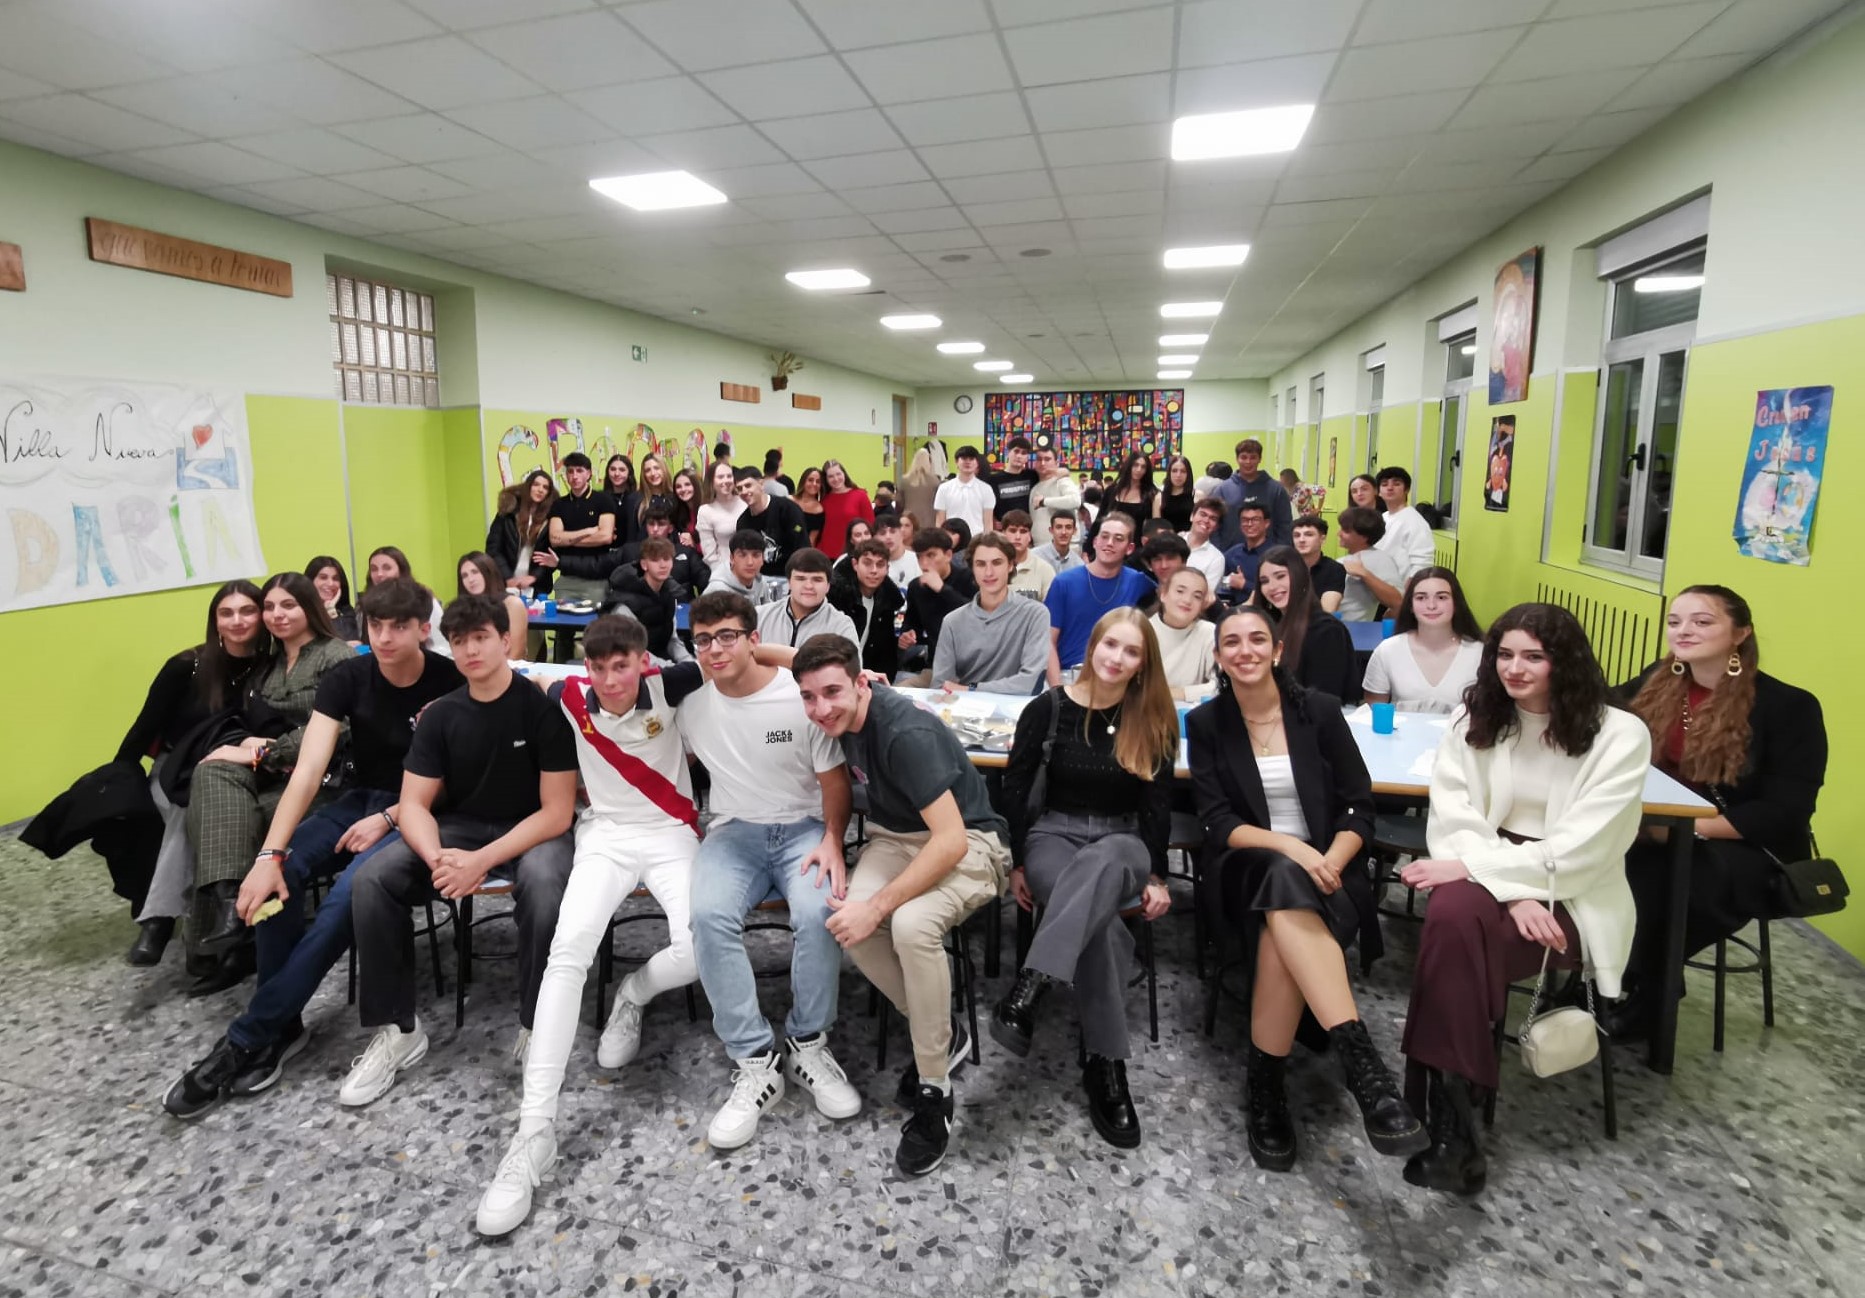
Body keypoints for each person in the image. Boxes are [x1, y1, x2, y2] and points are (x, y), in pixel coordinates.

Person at [161, 580, 462, 1118]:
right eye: (376, 626)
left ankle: (249, 1037)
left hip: (416, 810)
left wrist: (389, 817)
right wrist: (266, 858)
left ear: (423, 629)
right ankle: (285, 1026)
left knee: (349, 893)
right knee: (285, 873)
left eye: (399, 627)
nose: (386, 638)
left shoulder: (448, 678)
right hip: (355, 798)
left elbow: (455, 775)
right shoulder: (348, 676)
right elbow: (307, 772)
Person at [1398, 603, 1651, 1195]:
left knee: (1452, 922)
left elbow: (1585, 848)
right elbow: (1454, 816)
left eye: (1533, 656)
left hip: (1575, 893)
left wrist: (1493, 877)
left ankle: (1447, 1121)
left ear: (1566, 662)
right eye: (1505, 654)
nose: (1515, 668)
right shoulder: (1477, 718)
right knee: (1454, 917)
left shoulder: (1619, 734)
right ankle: (1457, 1130)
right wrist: (1512, 894)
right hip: (1494, 879)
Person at [474, 614, 706, 1237]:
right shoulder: (568, 693)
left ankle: (633, 995)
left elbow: (747, 657)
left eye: (621, 665)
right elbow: (509, 670)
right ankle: (532, 1135)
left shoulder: (673, 683)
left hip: (669, 831)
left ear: (643, 662)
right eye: (598, 668)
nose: (609, 680)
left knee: (699, 948)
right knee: (566, 952)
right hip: (604, 833)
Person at [1188, 605, 1422, 1173]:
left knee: (1281, 925)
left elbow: (1359, 805)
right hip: (1246, 874)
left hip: (1329, 876)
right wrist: (1293, 848)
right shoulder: (1207, 723)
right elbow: (1218, 822)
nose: (1244, 650)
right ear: (1218, 658)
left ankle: (1265, 1090)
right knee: (1278, 877)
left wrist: (1332, 860)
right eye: (1231, 643)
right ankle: (1365, 1069)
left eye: (1256, 640)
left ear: (1276, 650)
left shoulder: (1316, 711)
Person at [342, 595, 578, 1106]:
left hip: (533, 828)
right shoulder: (441, 715)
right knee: (372, 879)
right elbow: (413, 805)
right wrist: (439, 862)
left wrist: (482, 861)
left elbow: (557, 813)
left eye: (480, 638)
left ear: (505, 641)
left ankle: (538, 1025)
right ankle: (399, 1030)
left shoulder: (541, 711)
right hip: (460, 829)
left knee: (542, 885)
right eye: (459, 641)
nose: (470, 650)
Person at [793, 637, 1012, 1177]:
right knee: (847, 921)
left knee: (909, 924)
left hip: (971, 842)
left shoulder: (903, 732)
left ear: (862, 682)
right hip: (896, 839)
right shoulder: (844, 710)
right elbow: (796, 662)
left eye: (832, 693)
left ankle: (935, 1094)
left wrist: (881, 906)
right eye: (808, 697)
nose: (821, 709)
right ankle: (944, 1032)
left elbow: (952, 841)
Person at [679, 593, 860, 1150]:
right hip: (735, 831)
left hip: (805, 829)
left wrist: (833, 840)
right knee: (708, 915)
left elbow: (836, 784)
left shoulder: (798, 697)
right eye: (703, 638)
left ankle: (808, 1041)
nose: (715, 649)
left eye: (728, 635)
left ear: (754, 638)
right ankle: (755, 1059)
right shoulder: (691, 707)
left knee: (820, 910)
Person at [1607, 586, 1827, 1038]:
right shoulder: (1659, 679)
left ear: (1740, 634)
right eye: (1675, 621)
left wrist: (1688, 832)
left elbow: (1786, 811)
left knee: (1673, 884)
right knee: (1598, 865)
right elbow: (1601, 711)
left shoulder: (1789, 707)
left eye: (1702, 621)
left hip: (1742, 844)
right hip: (1658, 828)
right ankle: (1602, 979)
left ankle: (1650, 992)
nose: (1683, 630)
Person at [995, 609, 1176, 1147]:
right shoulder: (1047, 709)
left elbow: (1158, 807)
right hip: (1054, 835)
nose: (1117, 659)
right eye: (1110, 645)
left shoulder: (1155, 719)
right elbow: (1015, 789)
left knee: (1104, 865)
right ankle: (1105, 1063)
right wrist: (1017, 862)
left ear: (1144, 664)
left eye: (1131, 651)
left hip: (1123, 842)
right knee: (1103, 930)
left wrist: (1159, 875)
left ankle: (1030, 985)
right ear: (1092, 645)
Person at [183, 573, 352, 994]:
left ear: (308, 607)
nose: (277, 615)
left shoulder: (335, 657)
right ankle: (229, 907)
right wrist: (245, 744)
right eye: (271, 607)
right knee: (211, 773)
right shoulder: (267, 663)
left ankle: (238, 939)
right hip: (271, 772)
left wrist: (264, 752)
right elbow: (247, 720)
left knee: (238, 819)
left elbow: (341, 726)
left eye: (288, 605)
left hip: (324, 779)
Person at [117, 580, 269, 968]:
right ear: (214, 620)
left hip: (233, 766)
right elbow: (143, 728)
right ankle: (165, 920)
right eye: (226, 612)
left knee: (206, 804)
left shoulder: (270, 666)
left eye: (247, 611)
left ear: (262, 615)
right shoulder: (187, 665)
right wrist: (121, 781)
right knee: (188, 810)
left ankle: (179, 931)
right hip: (173, 768)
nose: (237, 620)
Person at [931, 533, 1052, 695]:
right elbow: (940, 686)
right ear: (972, 569)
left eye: (997, 563)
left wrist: (971, 689)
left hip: (1016, 712)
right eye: (980, 564)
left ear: (1010, 565)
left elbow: (1030, 682)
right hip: (965, 710)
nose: (989, 572)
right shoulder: (952, 621)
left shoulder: (1035, 615)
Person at [1044, 512, 1153, 675]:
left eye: (1118, 539)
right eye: (1104, 536)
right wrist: (1057, 689)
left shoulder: (1137, 581)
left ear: (1129, 548)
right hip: (1069, 675)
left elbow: (1169, 595)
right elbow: (1047, 641)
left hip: (1115, 674)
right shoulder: (1064, 582)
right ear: (1095, 542)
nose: (1109, 543)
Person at [1363, 568, 1485, 713]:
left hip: (1461, 735)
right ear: (1411, 606)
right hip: (1402, 735)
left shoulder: (1479, 652)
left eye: (1441, 597)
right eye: (1421, 598)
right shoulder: (1388, 650)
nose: (1431, 605)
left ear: (1456, 603)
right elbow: (1372, 712)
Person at [1252, 546, 1358, 702]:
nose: (1272, 587)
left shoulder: (1326, 630)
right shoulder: (1270, 626)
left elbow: (1323, 699)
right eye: (1264, 581)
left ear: (1300, 576)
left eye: (1280, 576)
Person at [830, 538, 908, 680]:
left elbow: (886, 654)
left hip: (868, 679)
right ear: (855, 564)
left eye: (880, 565)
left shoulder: (887, 602)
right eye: (867, 563)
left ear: (887, 568)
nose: (874, 571)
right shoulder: (836, 598)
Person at [549, 452, 620, 605]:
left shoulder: (603, 500)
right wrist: (588, 532)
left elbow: (605, 537)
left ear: (589, 473)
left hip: (596, 579)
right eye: (570, 471)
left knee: (596, 626)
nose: (574, 476)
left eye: (579, 471)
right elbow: (554, 539)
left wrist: (566, 539)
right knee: (561, 626)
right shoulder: (559, 505)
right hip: (566, 578)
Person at [902, 527, 977, 667]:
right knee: (899, 688)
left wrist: (942, 589)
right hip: (935, 665)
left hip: (972, 665)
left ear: (948, 555)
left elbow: (976, 616)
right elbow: (912, 624)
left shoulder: (969, 578)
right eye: (919, 557)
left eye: (931, 555)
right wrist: (908, 635)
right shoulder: (916, 587)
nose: (924, 564)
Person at [604, 537, 688, 662]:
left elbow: (672, 640)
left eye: (666, 559)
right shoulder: (624, 604)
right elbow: (632, 652)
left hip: (661, 663)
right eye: (655, 560)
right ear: (644, 565)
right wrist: (670, 669)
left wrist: (689, 662)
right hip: (628, 666)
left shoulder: (669, 596)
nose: (662, 565)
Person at [757, 548, 859, 650]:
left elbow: (851, 665)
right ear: (789, 582)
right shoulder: (760, 616)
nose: (808, 586)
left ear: (828, 586)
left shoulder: (841, 626)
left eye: (817, 580)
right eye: (800, 579)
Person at [487, 469, 559, 599]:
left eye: (545, 487)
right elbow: (493, 549)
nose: (540, 489)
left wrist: (534, 577)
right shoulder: (508, 513)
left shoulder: (552, 518)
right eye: (536, 484)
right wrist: (508, 578)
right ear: (528, 487)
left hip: (536, 587)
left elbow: (553, 554)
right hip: (505, 584)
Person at [618, 501, 709, 600]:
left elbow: (706, 583)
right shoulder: (630, 551)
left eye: (661, 524)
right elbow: (607, 572)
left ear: (670, 528)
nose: (655, 529)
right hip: (640, 607)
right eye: (651, 524)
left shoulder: (687, 552)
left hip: (680, 608)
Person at [1149, 567, 1218, 699]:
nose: (1187, 600)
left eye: (1197, 596)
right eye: (1180, 591)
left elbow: (1222, 684)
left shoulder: (1209, 632)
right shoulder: (1143, 629)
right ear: (1163, 594)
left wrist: (1179, 693)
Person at [1213, 438, 1293, 549]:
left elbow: (1284, 525)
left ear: (1260, 459)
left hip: (1269, 557)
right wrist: (1219, 552)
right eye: (1244, 457)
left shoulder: (1276, 490)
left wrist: (1280, 554)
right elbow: (1214, 523)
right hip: (1229, 555)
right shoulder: (1222, 489)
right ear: (1237, 459)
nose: (1248, 462)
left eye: (1253, 457)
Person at [368, 546, 449, 654]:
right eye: (374, 569)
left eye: (387, 568)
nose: (379, 574)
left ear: (401, 570)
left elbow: (442, 646)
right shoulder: (367, 604)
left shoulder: (421, 599)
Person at [735, 465, 810, 575]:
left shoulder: (788, 509)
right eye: (739, 488)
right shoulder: (743, 522)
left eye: (748, 485)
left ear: (761, 484)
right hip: (761, 579)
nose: (744, 491)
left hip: (791, 576)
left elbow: (802, 547)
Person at [456, 551, 530, 661]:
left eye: (475, 572)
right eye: (464, 576)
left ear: (488, 573)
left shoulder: (512, 604)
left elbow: (516, 653)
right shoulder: (462, 608)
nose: (470, 580)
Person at [1335, 507, 1405, 621]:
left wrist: (1364, 574)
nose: (1339, 533)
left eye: (1346, 531)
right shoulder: (1344, 560)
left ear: (1364, 537)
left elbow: (1397, 601)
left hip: (1352, 629)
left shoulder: (1378, 558)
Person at [1374, 467, 1436, 583]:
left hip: (1399, 592)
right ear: (1379, 492)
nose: (1390, 488)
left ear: (1406, 489)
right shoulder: (1383, 518)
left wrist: (1408, 593)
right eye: (1384, 484)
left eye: (1396, 484)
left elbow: (1422, 563)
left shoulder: (1414, 521)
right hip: (1379, 588)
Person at [704, 527, 786, 604]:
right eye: (742, 555)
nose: (750, 562)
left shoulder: (761, 583)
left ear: (763, 559)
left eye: (756, 555)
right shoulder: (717, 591)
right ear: (732, 559)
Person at [818, 459, 874, 561]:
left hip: (855, 552)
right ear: (826, 479)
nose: (836, 479)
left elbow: (870, 525)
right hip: (827, 554)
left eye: (838, 474)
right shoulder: (824, 500)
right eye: (830, 476)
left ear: (844, 474)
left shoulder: (860, 495)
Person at [1290, 515, 1346, 615]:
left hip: (1317, 626)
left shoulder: (1334, 569)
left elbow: (1327, 611)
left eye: (1309, 534)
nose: (1301, 540)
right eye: (1297, 535)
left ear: (1322, 539)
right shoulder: (1283, 567)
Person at [934, 445, 995, 535]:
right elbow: (940, 521)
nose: (968, 462)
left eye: (971, 459)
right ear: (956, 462)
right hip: (951, 541)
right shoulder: (944, 488)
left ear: (977, 463)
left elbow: (988, 523)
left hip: (977, 540)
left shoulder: (986, 489)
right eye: (964, 458)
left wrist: (986, 545)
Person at [1220, 502, 1274, 603]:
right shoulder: (1232, 554)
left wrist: (1244, 585)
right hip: (1234, 610)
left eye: (1255, 520)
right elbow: (1220, 582)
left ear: (1266, 523)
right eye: (1245, 520)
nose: (1249, 524)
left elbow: (1277, 590)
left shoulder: (1276, 555)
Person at [695, 459, 746, 568]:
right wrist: (723, 575)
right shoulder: (705, 511)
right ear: (711, 481)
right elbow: (710, 555)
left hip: (752, 568)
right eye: (720, 477)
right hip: (725, 570)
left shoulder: (745, 502)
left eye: (729, 476)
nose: (726, 480)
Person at [997, 509, 1054, 601]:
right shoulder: (993, 566)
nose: (1018, 537)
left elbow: (1050, 608)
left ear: (1030, 536)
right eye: (1012, 531)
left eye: (1023, 531)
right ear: (1003, 534)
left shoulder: (1044, 569)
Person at [1098, 451, 1159, 534]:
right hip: (1111, 541)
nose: (1139, 470)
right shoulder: (1111, 491)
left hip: (1138, 543)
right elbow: (1100, 519)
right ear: (1129, 466)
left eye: (1143, 467)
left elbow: (1153, 527)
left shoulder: (1151, 494)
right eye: (1135, 465)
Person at [1029, 444, 1082, 536]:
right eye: (1039, 459)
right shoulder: (1034, 488)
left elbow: (1075, 500)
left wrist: (1044, 502)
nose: (1042, 463)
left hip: (1065, 546)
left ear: (1056, 463)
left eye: (1047, 459)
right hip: (1038, 546)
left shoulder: (1062, 480)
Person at [1178, 497, 1226, 594]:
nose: (1206, 520)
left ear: (1216, 526)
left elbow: (1205, 594)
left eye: (1213, 518)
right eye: (1203, 514)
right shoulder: (1173, 541)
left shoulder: (1216, 559)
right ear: (1192, 516)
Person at [306, 556, 358, 642]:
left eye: (335, 578)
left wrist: (332, 612)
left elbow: (351, 644)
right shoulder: (300, 611)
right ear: (310, 580)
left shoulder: (345, 611)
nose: (330, 583)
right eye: (323, 577)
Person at [987, 437, 1039, 521]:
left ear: (1027, 457)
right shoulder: (993, 480)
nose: (1019, 456)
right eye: (1016, 451)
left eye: (1023, 453)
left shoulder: (1032, 476)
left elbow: (1053, 473)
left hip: (1027, 529)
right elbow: (987, 507)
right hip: (1003, 530)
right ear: (1008, 453)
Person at [603, 454, 641, 549]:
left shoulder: (638, 498)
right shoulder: (601, 498)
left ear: (629, 473)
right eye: (613, 469)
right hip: (606, 552)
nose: (617, 474)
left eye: (622, 470)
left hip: (631, 552)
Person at [873, 511, 918, 588]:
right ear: (875, 538)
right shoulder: (872, 566)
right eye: (882, 533)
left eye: (892, 531)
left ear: (901, 533)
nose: (888, 537)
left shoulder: (917, 561)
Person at [1159, 455, 1197, 533]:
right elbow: (1157, 526)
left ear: (1188, 474)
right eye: (1174, 471)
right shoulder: (1159, 496)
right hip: (1166, 541)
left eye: (1183, 471)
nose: (1178, 475)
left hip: (1188, 541)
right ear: (1169, 473)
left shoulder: (1197, 495)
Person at [794, 465, 826, 549]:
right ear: (803, 481)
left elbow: (811, 540)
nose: (814, 484)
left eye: (818, 481)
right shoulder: (788, 501)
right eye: (810, 480)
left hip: (800, 552)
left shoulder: (818, 511)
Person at [669, 469, 702, 551]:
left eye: (687, 484)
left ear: (696, 485)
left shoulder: (707, 509)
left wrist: (694, 544)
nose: (683, 489)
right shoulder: (679, 511)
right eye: (678, 487)